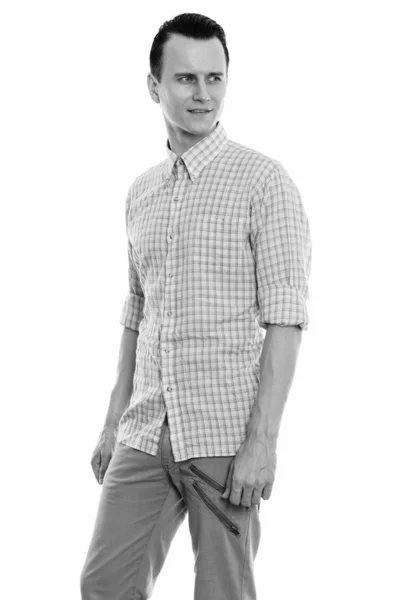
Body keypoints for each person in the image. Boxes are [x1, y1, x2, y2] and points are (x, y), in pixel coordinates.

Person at [80, 11, 312, 600]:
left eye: (215, 77)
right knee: (104, 585)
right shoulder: (140, 193)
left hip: (223, 435)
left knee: (222, 593)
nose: (203, 94)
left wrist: (263, 441)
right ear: (154, 85)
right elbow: (137, 313)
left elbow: (285, 317)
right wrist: (113, 421)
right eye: (186, 79)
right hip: (144, 427)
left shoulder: (264, 182)